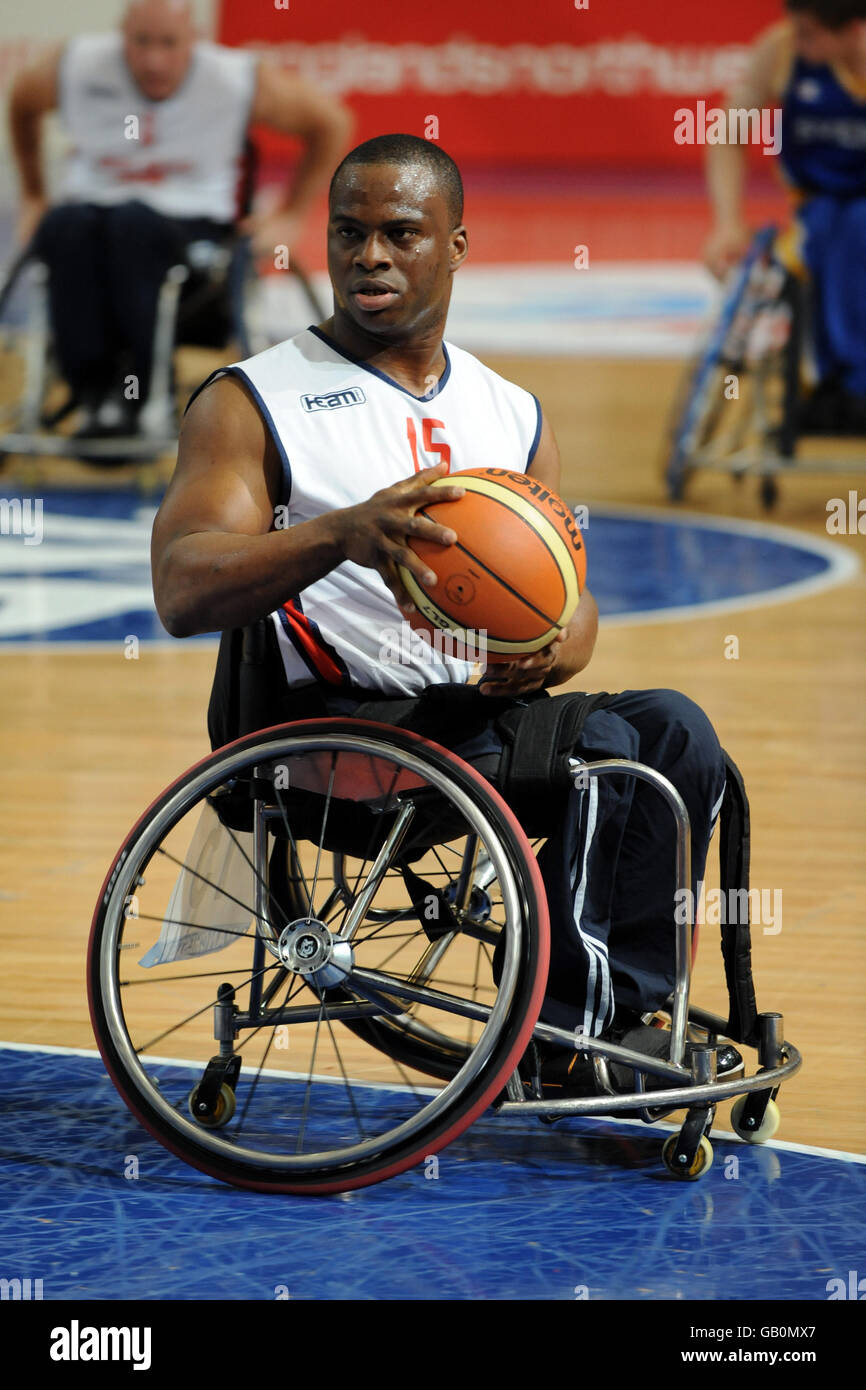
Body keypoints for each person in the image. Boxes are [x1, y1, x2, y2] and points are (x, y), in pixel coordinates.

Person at [151, 132, 741, 1094]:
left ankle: (598, 1013)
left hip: (464, 723)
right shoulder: (252, 400)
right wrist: (342, 533)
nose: (368, 255)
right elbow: (180, 587)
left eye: (399, 233)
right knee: (615, 761)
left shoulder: (512, 411)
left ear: (457, 246)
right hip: (330, 732)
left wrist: (549, 651)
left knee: (671, 733)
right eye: (348, 232)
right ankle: (571, 1044)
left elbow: (573, 607)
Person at [7, 0, 351, 437]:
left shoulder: (234, 77)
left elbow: (329, 122)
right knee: (62, 225)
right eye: (141, 42)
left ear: (194, 40)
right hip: (89, 221)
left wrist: (291, 214)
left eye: (169, 44)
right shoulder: (78, 63)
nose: (154, 59)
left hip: (189, 228)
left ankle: (140, 390)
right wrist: (35, 194)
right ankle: (93, 392)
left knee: (132, 223)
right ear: (122, 35)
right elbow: (22, 101)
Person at [704, 0, 866, 432]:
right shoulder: (780, 50)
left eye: (809, 33)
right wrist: (728, 224)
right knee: (831, 230)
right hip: (816, 207)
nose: (797, 40)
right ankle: (831, 385)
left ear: (852, 29)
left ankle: (853, 383)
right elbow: (726, 134)